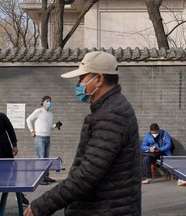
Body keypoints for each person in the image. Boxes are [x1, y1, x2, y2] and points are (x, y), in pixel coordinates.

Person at [24, 51, 141, 216]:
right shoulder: (111, 108)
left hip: (105, 208)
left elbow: (87, 174)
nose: (78, 84)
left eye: (82, 78)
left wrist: (42, 205)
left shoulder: (112, 114)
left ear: (99, 79)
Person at [26, 96, 62, 185]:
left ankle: (45, 176)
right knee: (40, 158)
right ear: (42, 102)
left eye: (50, 101)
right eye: (47, 101)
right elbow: (28, 119)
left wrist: (55, 126)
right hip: (40, 137)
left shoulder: (50, 114)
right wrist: (31, 130)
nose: (49, 102)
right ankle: (39, 178)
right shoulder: (38, 111)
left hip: (47, 137)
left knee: (46, 158)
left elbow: (49, 126)